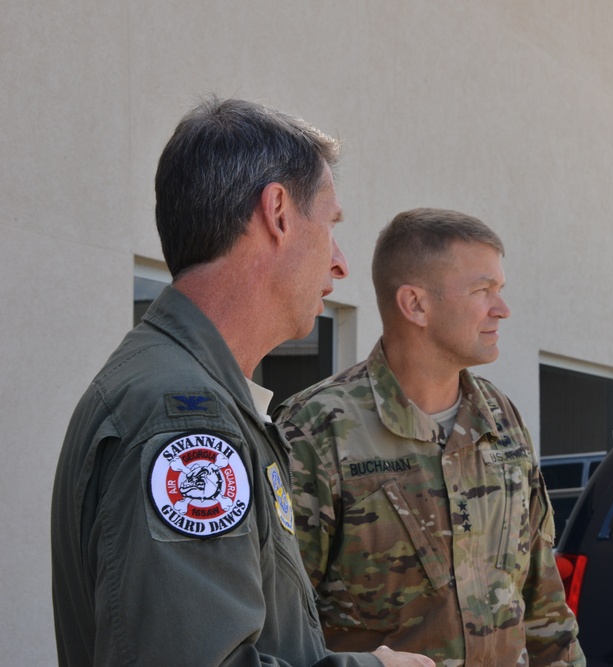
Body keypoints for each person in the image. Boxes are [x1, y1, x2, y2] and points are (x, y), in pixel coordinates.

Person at [50, 97, 434, 667]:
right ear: (278, 212)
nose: (340, 263)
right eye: (330, 225)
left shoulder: (192, 394)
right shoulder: (184, 417)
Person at [274, 208, 585, 666]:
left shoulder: (501, 419)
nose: (502, 309)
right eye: (483, 291)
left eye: (499, 290)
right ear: (416, 304)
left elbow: (542, 602)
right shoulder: (315, 430)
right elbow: (283, 628)